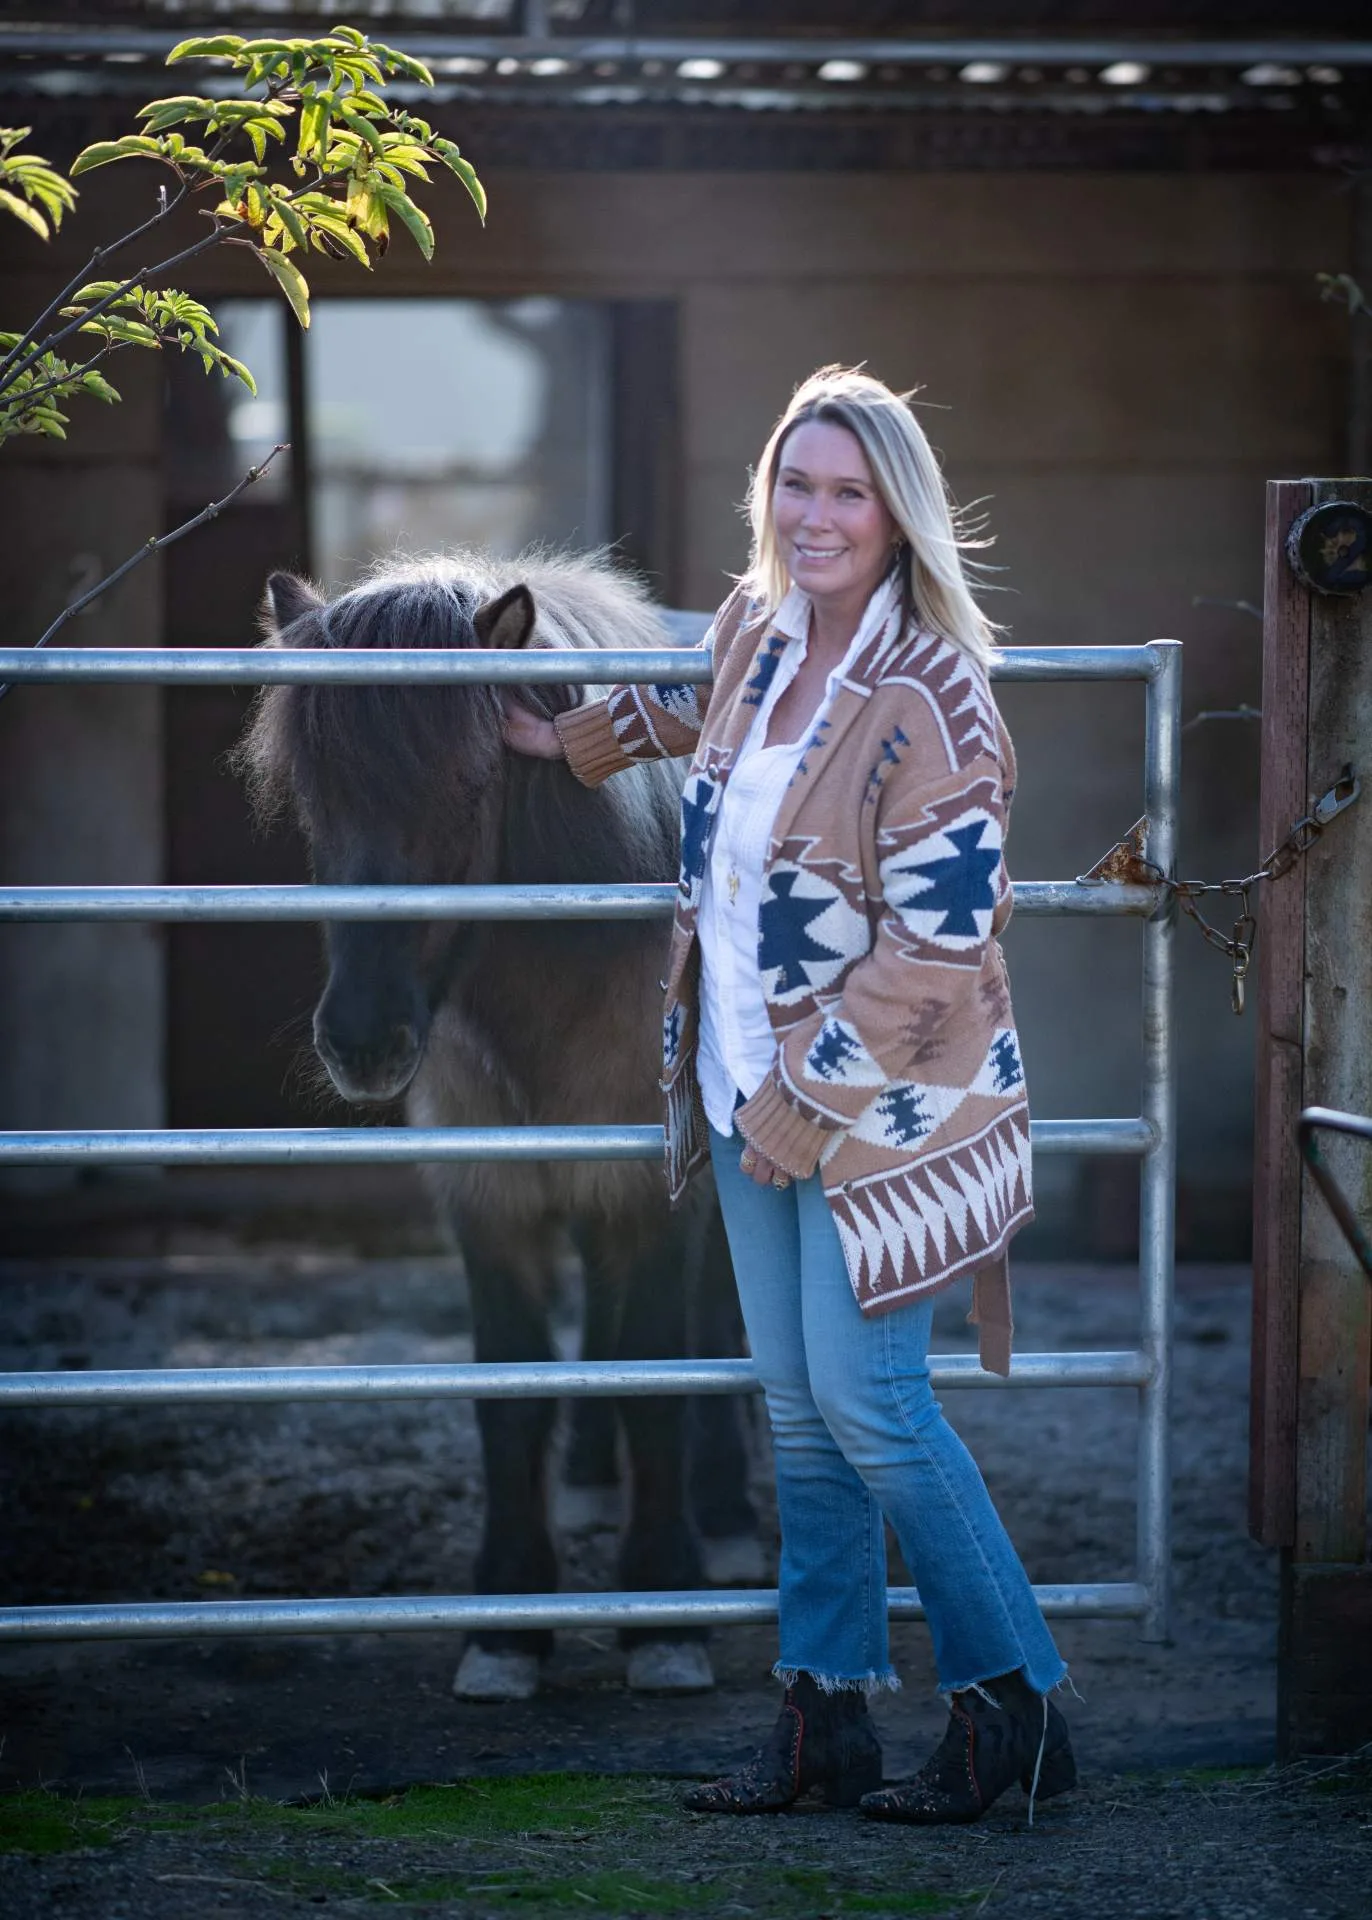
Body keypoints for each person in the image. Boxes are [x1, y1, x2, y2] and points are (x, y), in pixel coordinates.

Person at [502, 365, 1075, 1824]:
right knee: (801, 1418)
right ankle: (823, 1718)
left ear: (899, 514)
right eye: (796, 486)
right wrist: (564, 742)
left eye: (848, 493)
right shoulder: (758, 633)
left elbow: (940, 943)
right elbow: (693, 713)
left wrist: (808, 1101)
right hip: (739, 1079)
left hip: (880, 1113)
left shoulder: (936, 696)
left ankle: (1015, 1708)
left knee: (876, 1408)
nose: (815, 517)